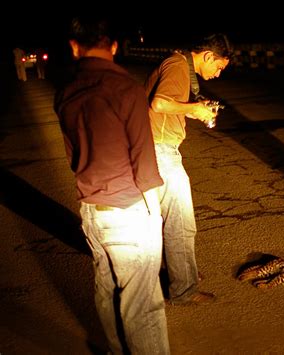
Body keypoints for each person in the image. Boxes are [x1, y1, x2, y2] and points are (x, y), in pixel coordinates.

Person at [54, 16, 170, 354]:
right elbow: (144, 162)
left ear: (75, 47)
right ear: (115, 47)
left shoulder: (65, 94)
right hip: (128, 212)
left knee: (106, 290)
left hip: (91, 210)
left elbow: (74, 157)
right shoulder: (127, 90)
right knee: (143, 306)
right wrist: (154, 216)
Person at [144, 34, 232, 304]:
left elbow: (166, 106)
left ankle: (178, 272)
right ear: (207, 56)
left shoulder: (179, 64)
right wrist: (194, 106)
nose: (217, 75)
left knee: (159, 221)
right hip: (161, 151)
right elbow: (158, 103)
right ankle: (183, 289)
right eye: (218, 67)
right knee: (180, 223)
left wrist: (193, 112)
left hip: (154, 149)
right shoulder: (179, 65)